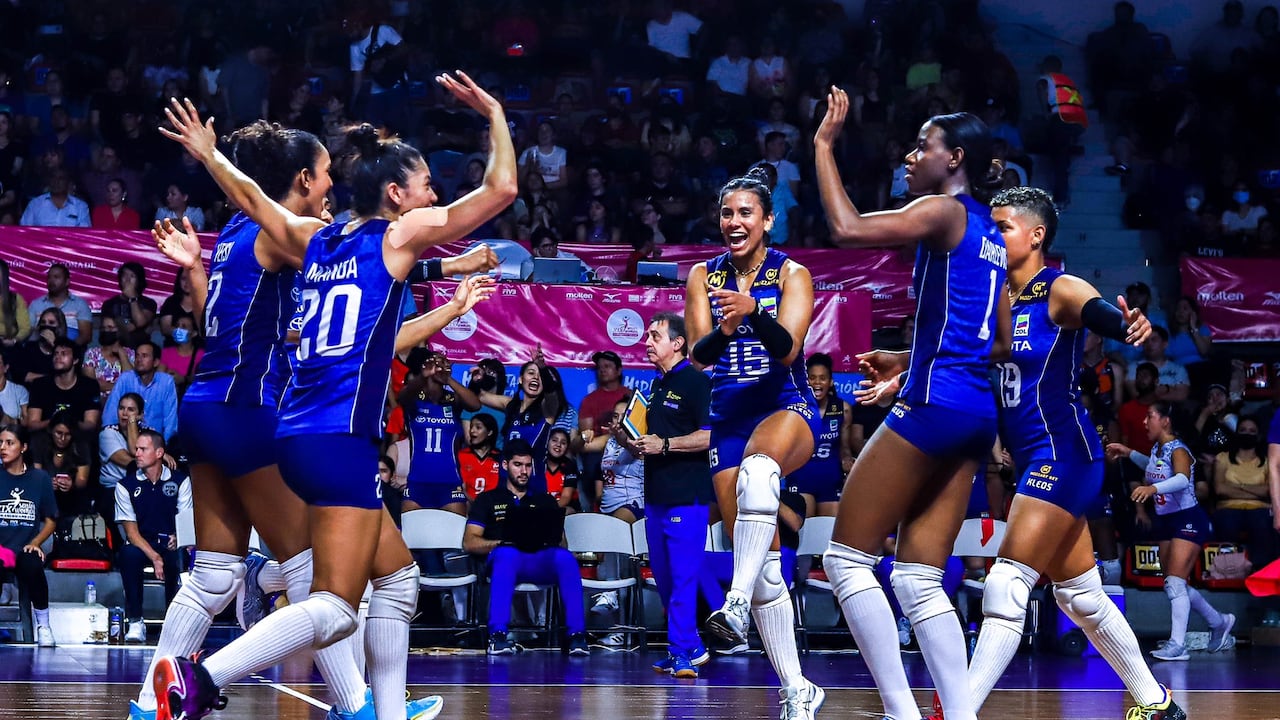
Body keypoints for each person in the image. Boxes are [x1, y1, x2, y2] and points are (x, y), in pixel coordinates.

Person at [151, 74, 515, 720]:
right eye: (427, 184)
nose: (434, 195)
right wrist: (493, 115)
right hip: (326, 436)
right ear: (398, 194)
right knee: (332, 601)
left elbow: (254, 198)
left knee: (396, 578)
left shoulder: (317, 242)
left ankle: (385, 712)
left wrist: (209, 158)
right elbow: (501, 191)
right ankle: (200, 678)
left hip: (284, 429)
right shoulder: (383, 236)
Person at [814, 91, 1010, 720]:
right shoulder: (989, 233)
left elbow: (847, 229)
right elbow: (998, 338)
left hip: (933, 407)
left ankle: (901, 714)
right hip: (976, 415)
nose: (909, 154)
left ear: (953, 158)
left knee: (845, 560)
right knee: (918, 578)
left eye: (922, 145)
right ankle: (960, 714)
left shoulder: (942, 210)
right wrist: (907, 360)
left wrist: (823, 146)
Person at [960, 186, 1183, 719]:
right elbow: (954, 351)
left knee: (1007, 584)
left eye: (1003, 227)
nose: (992, 236)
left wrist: (1128, 324)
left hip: (1067, 454)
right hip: (1036, 458)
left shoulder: (1057, 287)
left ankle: (957, 709)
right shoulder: (992, 295)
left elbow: (1099, 311)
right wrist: (901, 365)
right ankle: (1157, 704)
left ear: (1036, 235)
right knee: (1079, 597)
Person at [684, 167, 824, 717]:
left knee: (760, 471)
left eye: (745, 213)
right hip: (728, 418)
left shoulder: (793, 272)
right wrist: (727, 323)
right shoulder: (703, 275)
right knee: (763, 566)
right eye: (726, 213)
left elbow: (789, 350)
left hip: (785, 407)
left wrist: (754, 311)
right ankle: (797, 688)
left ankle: (734, 604)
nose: (734, 221)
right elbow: (698, 354)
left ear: (767, 220)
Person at [1107, 402, 1236, 662]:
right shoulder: (1158, 448)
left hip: (1188, 518)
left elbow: (1179, 478)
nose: (1145, 422)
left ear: (1165, 421)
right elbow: (1153, 468)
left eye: (1150, 416)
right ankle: (1219, 621)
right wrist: (1128, 452)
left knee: (1176, 583)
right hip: (1167, 521)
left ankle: (1178, 645)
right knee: (1173, 584)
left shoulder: (1179, 449)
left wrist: (1152, 490)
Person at [635, 312, 714, 678]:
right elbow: (654, 442)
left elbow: (710, 435)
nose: (648, 342)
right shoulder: (657, 385)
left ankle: (680, 651)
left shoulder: (697, 383)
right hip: (656, 495)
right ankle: (692, 644)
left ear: (677, 343)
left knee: (683, 577)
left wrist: (664, 444)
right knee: (664, 578)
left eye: (655, 336)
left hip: (687, 495)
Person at [464, 438, 588, 656]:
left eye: (528, 465)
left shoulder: (545, 500)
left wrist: (546, 537)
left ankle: (576, 636)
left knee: (565, 558)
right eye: (517, 465)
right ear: (505, 465)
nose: (524, 471)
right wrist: (501, 543)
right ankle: (498, 636)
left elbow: (562, 542)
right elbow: (469, 541)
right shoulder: (487, 500)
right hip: (506, 559)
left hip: (539, 558)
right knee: (506, 554)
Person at [116, 430, 193, 643]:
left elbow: (184, 518)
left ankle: (173, 622)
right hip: (142, 543)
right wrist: (154, 557)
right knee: (128, 555)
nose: (137, 453)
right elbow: (131, 532)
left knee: (177, 558)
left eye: (143, 449)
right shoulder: (125, 486)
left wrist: (179, 536)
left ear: (159, 453)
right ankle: (135, 621)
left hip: (170, 541)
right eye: (136, 449)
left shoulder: (180, 481)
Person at [398, 350, 479, 515]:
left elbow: (475, 405)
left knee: (452, 538)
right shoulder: (414, 400)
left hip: (449, 484)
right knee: (411, 538)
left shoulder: (453, 401)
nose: (439, 367)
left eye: (444, 363)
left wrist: (448, 379)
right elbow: (402, 398)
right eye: (436, 363)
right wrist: (423, 376)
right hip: (417, 483)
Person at [0, 424, 57, 646]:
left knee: (32, 565)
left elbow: (51, 519)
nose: (3, 448)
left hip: (26, 546)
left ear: (23, 447)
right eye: (0, 443)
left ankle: (44, 625)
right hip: (1, 548)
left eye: (9, 443)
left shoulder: (40, 478)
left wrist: (36, 542)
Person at [790, 353, 852, 518]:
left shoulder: (843, 409)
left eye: (822, 378)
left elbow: (844, 447)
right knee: (805, 535)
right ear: (806, 380)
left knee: (827, 533)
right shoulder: (795, 410)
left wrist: (847, 460)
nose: (817, 383)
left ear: (831, 381)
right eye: (812, 378)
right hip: (802, 478)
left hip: (831, 479)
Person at [26, 264, 93, 346]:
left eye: (56, 277)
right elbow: (28, 333)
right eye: (49, 277)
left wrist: (68, 349)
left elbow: (86, 336)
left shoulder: (80, 304)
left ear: (67, 282)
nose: (51, 281)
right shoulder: (36, 305)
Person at [99, 262, 158, 349]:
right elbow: (107, 330)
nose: (127, 280)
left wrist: (132, 298)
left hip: (139, 351)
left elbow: (140, 322)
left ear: (139, 280)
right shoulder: (109, 304)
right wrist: (129, 327)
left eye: (132, 276)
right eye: (124, 275)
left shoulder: (149, 303)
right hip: (114, 350)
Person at [82, 315, 135, 403]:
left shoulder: (130, 354)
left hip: (125, 401)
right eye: (103, 328)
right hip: (97, 401)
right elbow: (92, 384)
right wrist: (120, 387)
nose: (106, 331)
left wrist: (122, 354)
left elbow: (131, 381)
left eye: (110, 328)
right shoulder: (91, 354)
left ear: (120, 331)